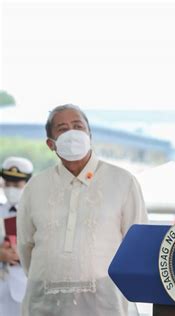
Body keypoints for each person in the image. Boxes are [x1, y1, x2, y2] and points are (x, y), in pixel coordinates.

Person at [17, 104, 148, 316]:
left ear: (89, 135)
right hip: (45, 303)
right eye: (62, 128)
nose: (72, 133)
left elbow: (136, 243)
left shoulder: (122, 181)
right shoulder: (35, 187)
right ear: (51, 144)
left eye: (78, 126)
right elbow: (25, 246)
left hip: (105, 303)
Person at [0, 157, 33, 315]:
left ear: (27, 184)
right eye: (7, 184)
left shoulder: (35, 214)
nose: (11, 189)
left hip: (24, 288)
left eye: (16, 185)